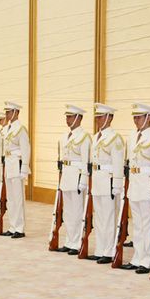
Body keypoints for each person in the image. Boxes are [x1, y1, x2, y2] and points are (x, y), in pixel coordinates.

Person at [119, 104, 150, 274]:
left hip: (147, 185)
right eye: (134, 117)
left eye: (139, 117)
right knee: (137, 224)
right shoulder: (132, 136)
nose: (136, 120)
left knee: (148, 223)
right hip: (135, 184)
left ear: (149, 118)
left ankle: (147, 259)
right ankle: (138, 257)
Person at [89, 103, 124, 264]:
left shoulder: (114, 138)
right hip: (97, 180)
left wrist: (117, 184)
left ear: (110, 118)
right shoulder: (96, 137)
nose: (98, 120)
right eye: (97, 117)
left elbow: (118, 163)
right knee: (100, 218)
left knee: (109, 217)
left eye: (101, 116)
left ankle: (109, 251)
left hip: (108, 180)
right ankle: (100, 249)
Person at [55, 104, 91, 255]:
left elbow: (85, 161)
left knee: (76, 211)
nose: (67, 120)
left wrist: (84, 179)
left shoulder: (84, 137)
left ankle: (76, 243)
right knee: (68, 212)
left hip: (77, 176)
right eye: (67, 117)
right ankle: (69, 241)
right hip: (67, 176)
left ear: (79, 118)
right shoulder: (65, 136)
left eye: (70, 117)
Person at [1, 101, 30, 238]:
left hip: (17, 165)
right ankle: (12, 226)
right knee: (11, 198)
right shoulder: (6, 128)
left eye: (9, 112)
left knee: (18, 198)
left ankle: (19, 228)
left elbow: (26, 149)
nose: (7, 114)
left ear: (16, 112)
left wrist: (24, 168)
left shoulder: (21, 129)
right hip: (9, 164)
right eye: (6, 112)